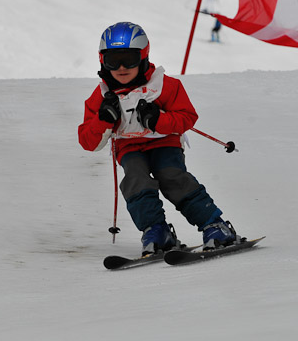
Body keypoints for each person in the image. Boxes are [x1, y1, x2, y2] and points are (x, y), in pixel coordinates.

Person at [78, 22, 238, 255]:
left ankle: (215, 225)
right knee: (136, 180)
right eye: (113, 60)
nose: (121, 67)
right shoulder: (101, 96)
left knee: (171, 175)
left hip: (164, 142)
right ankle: (156, 230)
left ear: (143, 57)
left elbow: (188, 117)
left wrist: (157, 120)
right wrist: (103, 119)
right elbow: (87, 141)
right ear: (103, 61)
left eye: (129, 59)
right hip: (129, 147)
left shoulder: (163, 86)